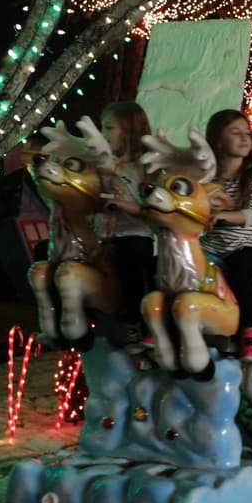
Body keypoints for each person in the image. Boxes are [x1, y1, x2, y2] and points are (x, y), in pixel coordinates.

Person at [201, 109, 252, 362]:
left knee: (242, 269)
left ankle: (249, 331)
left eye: (247, 134)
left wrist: (222, 216)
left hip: (240, 246)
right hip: (207, 247)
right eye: (235, 133)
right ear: (218, 140)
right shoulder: (206, 177)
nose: (244, 139)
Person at [97, 102, 155, 337]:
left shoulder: (145, 168)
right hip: (103, 233)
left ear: (129, 131)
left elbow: (152, 210)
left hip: (134, 233)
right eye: (103, 128)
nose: (103, 134)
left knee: (131, 257)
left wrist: (124, 205)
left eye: (109, 128)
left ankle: (134, 320)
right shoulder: (106, 165)